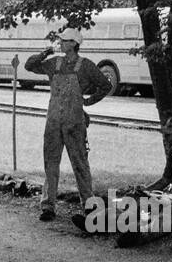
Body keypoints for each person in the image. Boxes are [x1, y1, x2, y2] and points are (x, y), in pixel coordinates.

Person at [24, 28, 113, 221]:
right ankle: (48, 206)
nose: (61, 43)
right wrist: (48, 50)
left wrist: (88, 102)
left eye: (64, 41)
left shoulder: (86, 66)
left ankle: (89, 205)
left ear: (73, 43)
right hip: (53, 122)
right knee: (51, 163)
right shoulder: (54, 62)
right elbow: (29, 65)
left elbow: (106, 85)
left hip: (75, 123)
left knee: (80, 163)